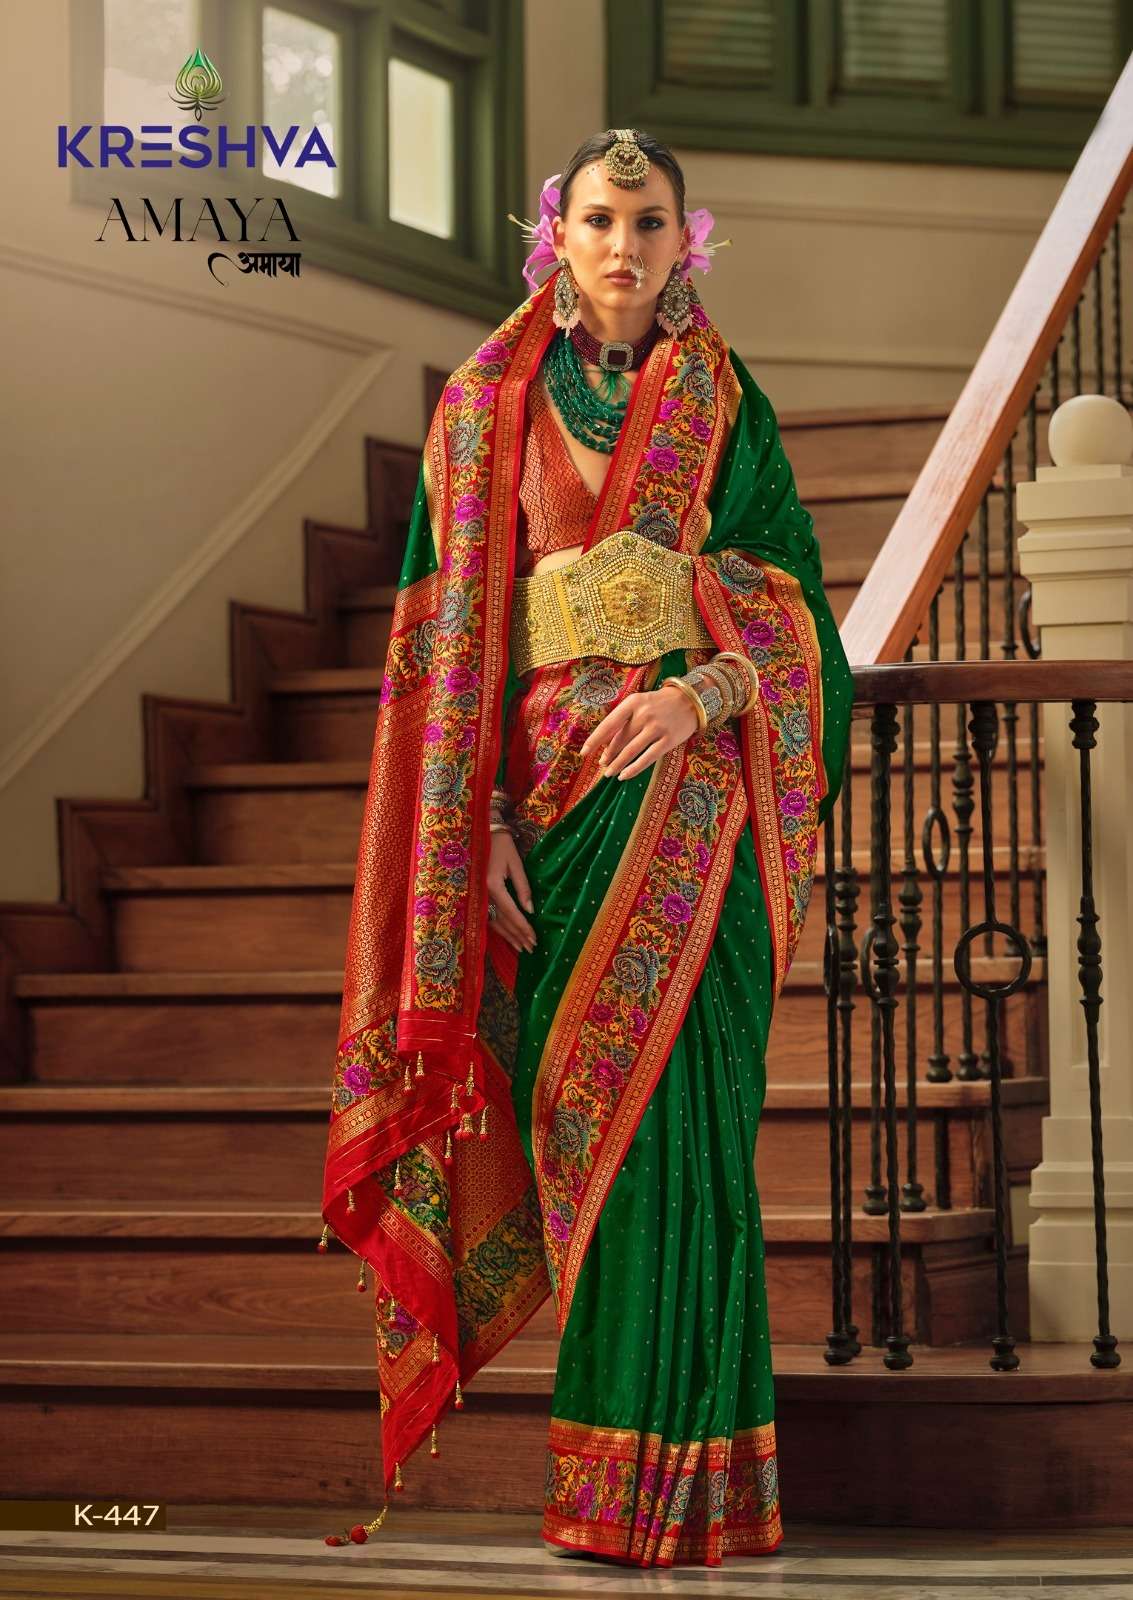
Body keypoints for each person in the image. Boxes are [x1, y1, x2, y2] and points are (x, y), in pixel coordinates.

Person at [319, 127, 853, 1568]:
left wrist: (702, 692)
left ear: (689, 241)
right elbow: (449, 639)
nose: (626, 245)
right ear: (555, 231)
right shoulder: (481, 407)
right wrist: (477, 826)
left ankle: (699, 1487)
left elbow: (796, 604)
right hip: (547, 814)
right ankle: (607, 1478)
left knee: (693, 1136)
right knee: (593, 1145)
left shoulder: (724, 399)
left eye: (652, 221)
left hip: (694, 803)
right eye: (603, 219)